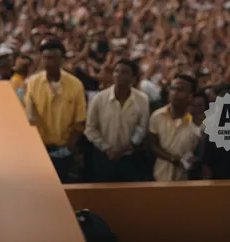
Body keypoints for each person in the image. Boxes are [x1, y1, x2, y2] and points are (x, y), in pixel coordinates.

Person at [25, 38, 86, 182]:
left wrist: (68, 148)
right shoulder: (33, 83)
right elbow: (30, 117)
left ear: (62, 60)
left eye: (53, 58)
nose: (48, 62)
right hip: (40, 149)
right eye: (45, 58)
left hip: (63, 150)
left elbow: (80, 121)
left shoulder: (75, 85)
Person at [84, 59, 149, 182]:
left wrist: (127, 148)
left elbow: (142, 128)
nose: (118, 75)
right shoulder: (99, 99)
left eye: (124, 72)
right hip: (103, 158)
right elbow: (90, 129)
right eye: (116, 71)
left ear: (133, 79)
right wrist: (107, 149)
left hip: (130, 159)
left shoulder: (142, 100)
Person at [147, 74, 200, 182]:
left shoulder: (196, 121)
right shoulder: (157, 116)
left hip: (186, 179)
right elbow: (153, 144)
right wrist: (173, 159)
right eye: (172, 88)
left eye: (180, 90)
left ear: (190, 96)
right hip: (159, 176)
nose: (174, 93)